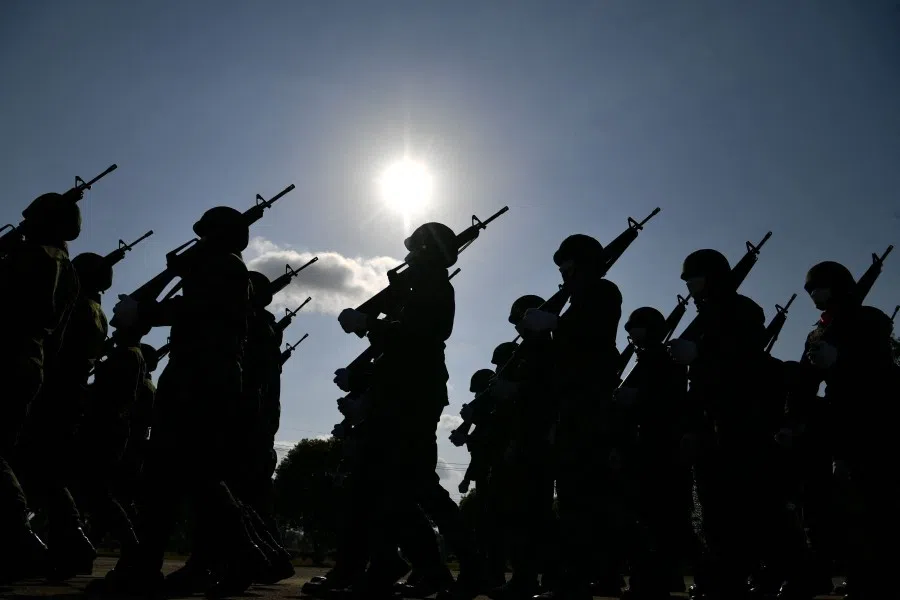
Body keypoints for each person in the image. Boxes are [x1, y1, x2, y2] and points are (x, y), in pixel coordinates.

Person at [98, 206, 267, 597]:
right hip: (200, 372)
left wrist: (147, 310)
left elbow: (196, 309)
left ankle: (241, 555)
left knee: (189, 472)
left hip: (202, 375)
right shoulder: (218, 267)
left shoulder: (223, 266)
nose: (201, 242)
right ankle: (149, 566)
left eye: (206, 235)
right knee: (173, 474)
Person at [337, 222, 482, 600]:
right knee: (387, 485)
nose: (410, 255)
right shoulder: (415, 285)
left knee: (414, 485)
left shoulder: (435, 286)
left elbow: (420, 336)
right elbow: (397, 341)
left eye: (417, 249)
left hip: (414, 395)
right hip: (398, 391)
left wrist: (370, 323)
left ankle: (470, 563)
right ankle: (410, 567)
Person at [669, 249, 784, 600]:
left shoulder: (743, 311)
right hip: (709, 421)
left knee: (743, 506)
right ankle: (722, 577)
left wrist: (701, 354)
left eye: (694, 276)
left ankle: (750, 576)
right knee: (713, 507)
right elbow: (699, 384)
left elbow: (746, 363)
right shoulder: (706, 315)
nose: (688, 284)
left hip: (740, 420)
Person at [520, 234, 623, 600]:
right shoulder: (581, 299)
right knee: (578, 498)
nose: (562, 274)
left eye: (567, 266)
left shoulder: (604, 292)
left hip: (589, 406)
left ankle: (580, 580)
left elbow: (592, 337)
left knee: (583, 497)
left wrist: (554, 325)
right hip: (574, 406)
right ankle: (585, 577)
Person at [794, 261, 897, 600]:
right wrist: (791, 420)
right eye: (810, 289)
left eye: (818, 287)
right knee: (831, 505)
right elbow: (804, 385)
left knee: (869, 503)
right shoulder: (818, 332)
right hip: (836, 421)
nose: (813, 294)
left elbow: (881, 372)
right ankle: (841, 572)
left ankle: (873, 578)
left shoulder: (870, 321)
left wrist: (841, 361)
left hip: (870, 421)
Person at [0, 192, 81, 583]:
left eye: (30, 217)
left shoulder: (30, 257)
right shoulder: (67, 269)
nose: (24, 223)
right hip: (31, 361)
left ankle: (22, 540)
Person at [616, 307, 691, 600]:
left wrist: (636, 401)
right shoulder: (650, 359)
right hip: (649, 445)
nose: (632, 333)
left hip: (660, 447)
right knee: (653, 519)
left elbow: (668, 402)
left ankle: (651, 582)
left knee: (655, 519)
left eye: (637, 327)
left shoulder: (665, 360)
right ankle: (653, 580)